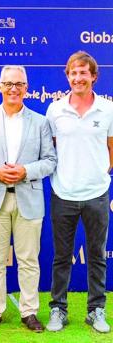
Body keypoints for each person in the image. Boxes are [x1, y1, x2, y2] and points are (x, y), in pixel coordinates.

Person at [0, 66, 56, 332]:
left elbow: (50, 161)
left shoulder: (41, 121)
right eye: (8, 83)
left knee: (29, 260)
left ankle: (29, 311)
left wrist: (26, 171)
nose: (13, 89)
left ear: (27, 87)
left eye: (19, 84)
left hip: (29, 199)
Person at [45, 51, 113, 334]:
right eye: (73, 73)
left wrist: (101, 173)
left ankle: (95, 310)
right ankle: (58, 310)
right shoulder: (55, 110)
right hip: (63, 193)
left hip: (97, 194)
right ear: (67, 76)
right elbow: (52, 147)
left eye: (83, 73)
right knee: (62, 257)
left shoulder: (108, 109)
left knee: (97, 254)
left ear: (93, 77)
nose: (77, 78)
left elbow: (111, 148)